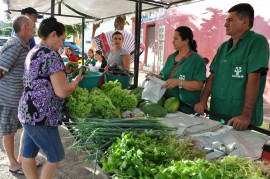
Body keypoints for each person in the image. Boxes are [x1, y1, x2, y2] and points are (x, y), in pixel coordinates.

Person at [18, 17, 83, 179]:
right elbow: (62, 91)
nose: (62, 43)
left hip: (27, 112)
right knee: (55, 157)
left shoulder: (34, 50)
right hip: (42, 116)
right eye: (62, 39)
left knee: (28, 153)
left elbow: (42, 75)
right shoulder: (51, 55)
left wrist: (63, 71)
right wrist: (75, 81)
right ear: (53, 35)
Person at [194, 3, 269, 131]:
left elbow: (254, 77)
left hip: (240, 119)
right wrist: (203, 100)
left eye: (230, 20)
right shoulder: (223, 47)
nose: (225, 24)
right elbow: (213, 76)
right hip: (217, 112)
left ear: (245, 22)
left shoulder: (257, 42)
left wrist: (245, 115)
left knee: (239, 150)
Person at [0, 15, 34, 175]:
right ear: (25, 27)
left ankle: (22, 159)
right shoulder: (15, 45)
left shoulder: (22, 44)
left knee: (22, 129)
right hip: (9, 98)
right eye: (32, 26)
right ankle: (13, 164)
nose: (34, 29)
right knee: (8, 131)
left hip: (18, 96)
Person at [147, 26, 206, 114]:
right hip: (167, 106)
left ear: (186, 41)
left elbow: (198, 85)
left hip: (186, 110)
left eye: (176, 39)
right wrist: (154, 76)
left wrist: (179, 82)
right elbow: (165, 77)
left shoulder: (197, 60)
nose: (172, 41)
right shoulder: (171, 57)